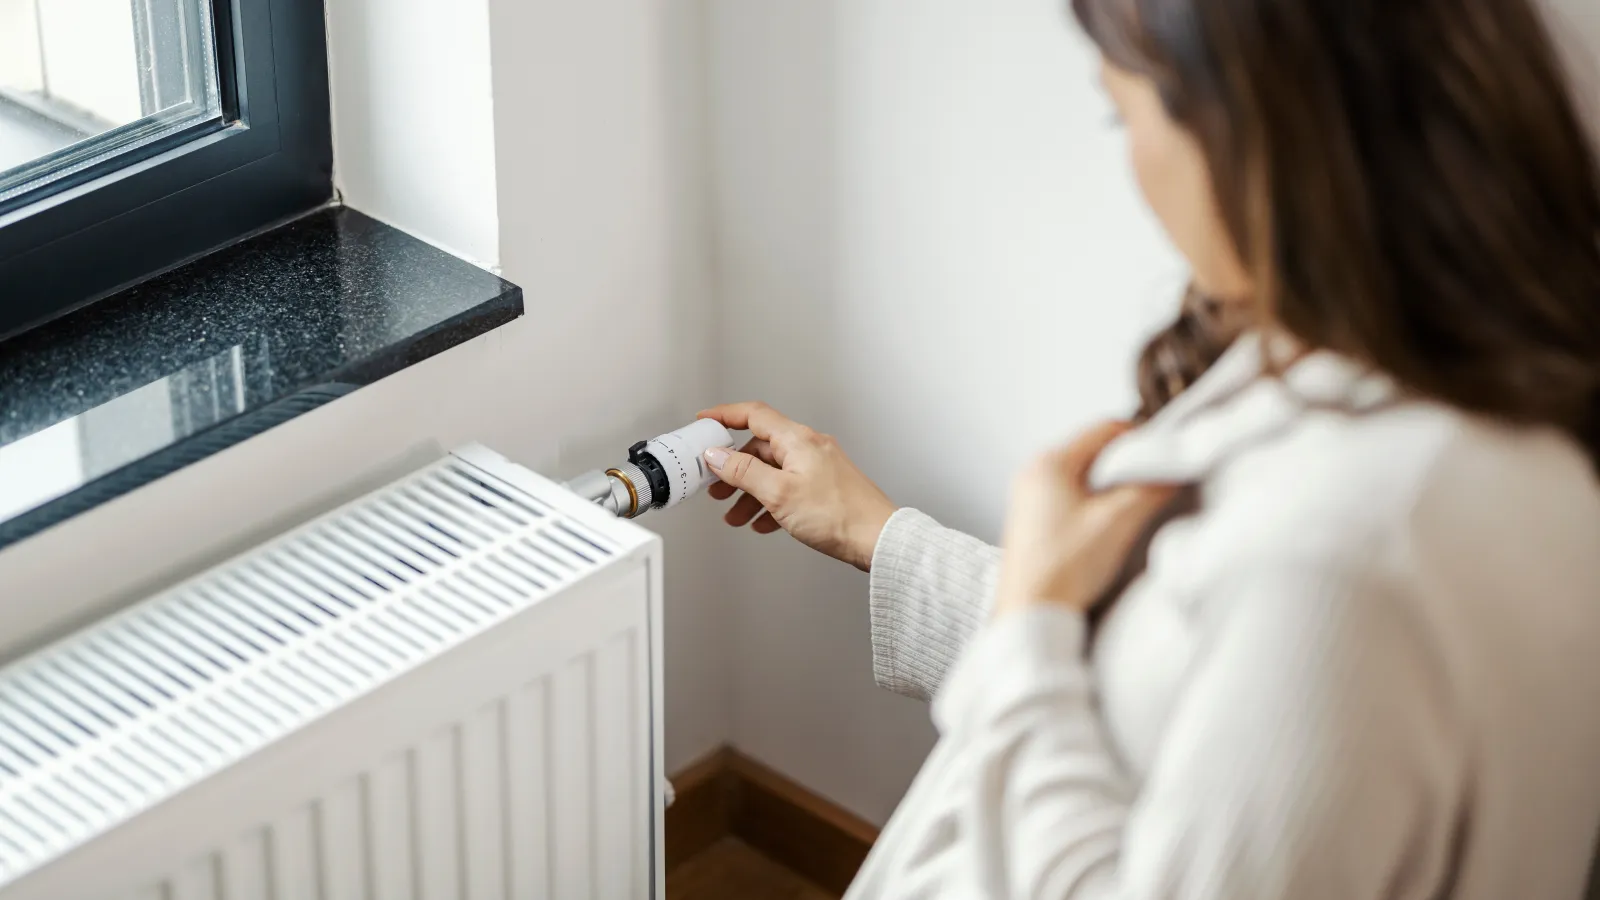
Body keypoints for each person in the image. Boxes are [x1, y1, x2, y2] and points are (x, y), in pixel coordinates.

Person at [696, 0, 1600, 897]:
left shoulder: (1344, 553)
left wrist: (1029, 629)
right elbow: (1161, 696)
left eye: (1119, 112)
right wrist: (876, 530)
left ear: (1259, 135)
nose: (1129, 164)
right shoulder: (1486, 407)